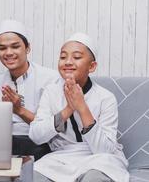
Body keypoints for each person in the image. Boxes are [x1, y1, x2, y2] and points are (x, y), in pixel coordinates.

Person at [29, 33, 129, 182]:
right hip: (61, 158)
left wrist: (81, 107)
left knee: (94, 177)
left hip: (98, 159)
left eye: (76, 57)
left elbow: (104, 150)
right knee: (33, 176)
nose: (68, 62)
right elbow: (36, 135)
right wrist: (67, 110)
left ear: (92, 66)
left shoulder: (106, 98)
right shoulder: (50, 92)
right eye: (63, 57)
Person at [0, 20, 59, 161]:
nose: (9, 53)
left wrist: (20, 110)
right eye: (2, 48)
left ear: (27, 48)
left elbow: (54, 128)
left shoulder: (51, 79)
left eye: (15, 46)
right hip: (5, 145)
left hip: (41, 145)